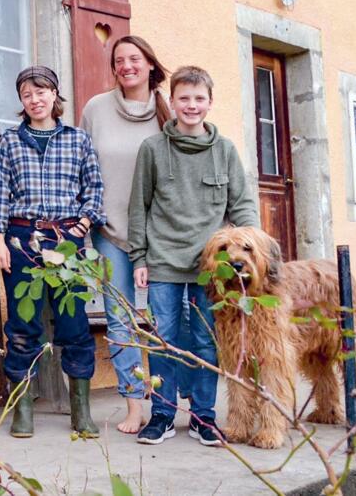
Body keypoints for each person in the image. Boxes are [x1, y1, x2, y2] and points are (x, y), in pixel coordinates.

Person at [128, 65, 259, 447]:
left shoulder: (226, 151)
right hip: (164, 262)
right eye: (183, 98)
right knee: (163, 339)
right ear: (172, 101)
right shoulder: (152, 149)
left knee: (205, 343)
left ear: (210, 103)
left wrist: (251, 249)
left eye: (199, 98)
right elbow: (140, 206)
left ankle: (204, 416)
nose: (191, 105)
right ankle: (163, 415)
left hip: (213, 270)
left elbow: (244, 206)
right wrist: (139, 259)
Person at [0, 66, 105, 438]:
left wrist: (82, 228)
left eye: (41, 92)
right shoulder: (10, 141)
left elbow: (94, 189)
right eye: (27, 94)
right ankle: (23, 408)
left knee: (74, 324)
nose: (35, 100)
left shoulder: (78, 140)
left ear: (55, 95)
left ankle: (80, 411)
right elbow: (0, 193)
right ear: (21, 101)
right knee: (23, 326)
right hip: (21, 240)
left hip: (67, 240)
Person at [78, 35, 170, 434]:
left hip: (162, 235)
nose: (127, 65)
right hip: (109, 231)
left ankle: (168, 406)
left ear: (150, 63)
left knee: (168, 321)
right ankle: (134, 406)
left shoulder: (168, 112)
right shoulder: (96, 109)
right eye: (119, 60)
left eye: (135, 58)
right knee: (120, 321)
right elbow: (80, 167)